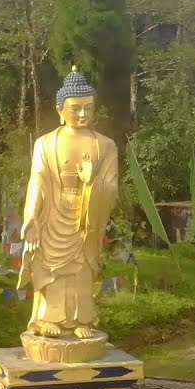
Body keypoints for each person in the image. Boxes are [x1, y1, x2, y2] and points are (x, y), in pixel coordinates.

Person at [18, 68, 119, 340]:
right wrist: (31, 217)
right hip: (53, 214)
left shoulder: (105, 146)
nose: (84, 115)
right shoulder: (45, 144)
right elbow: (37, 180)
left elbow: (112, 190)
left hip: (86, 217)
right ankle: (47, 318)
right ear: (60, 109)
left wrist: (91, 182)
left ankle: (80, 320)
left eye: (89, 108)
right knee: (52, 269)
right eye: (76, 109)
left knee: (82, 270)